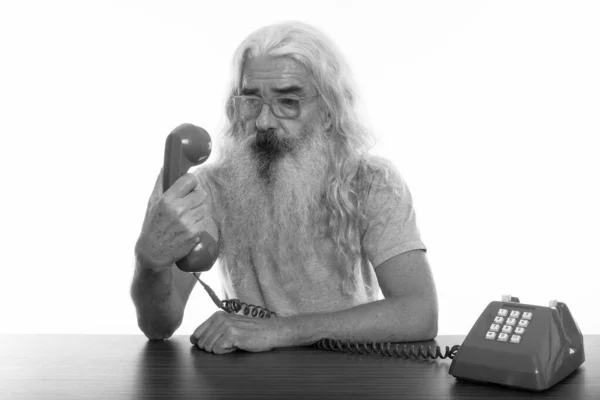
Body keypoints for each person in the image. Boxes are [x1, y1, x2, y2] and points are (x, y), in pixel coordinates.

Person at [130, 21, 439, 354]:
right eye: (251, 101)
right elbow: (158, 326)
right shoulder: (211, 187)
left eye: (288, 102)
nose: (263, 122)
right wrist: (150, 261)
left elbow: (419, 313)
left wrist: (282, 331)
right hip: (250, 378)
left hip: (350, 372)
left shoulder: (372, 183)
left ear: (329, 112)